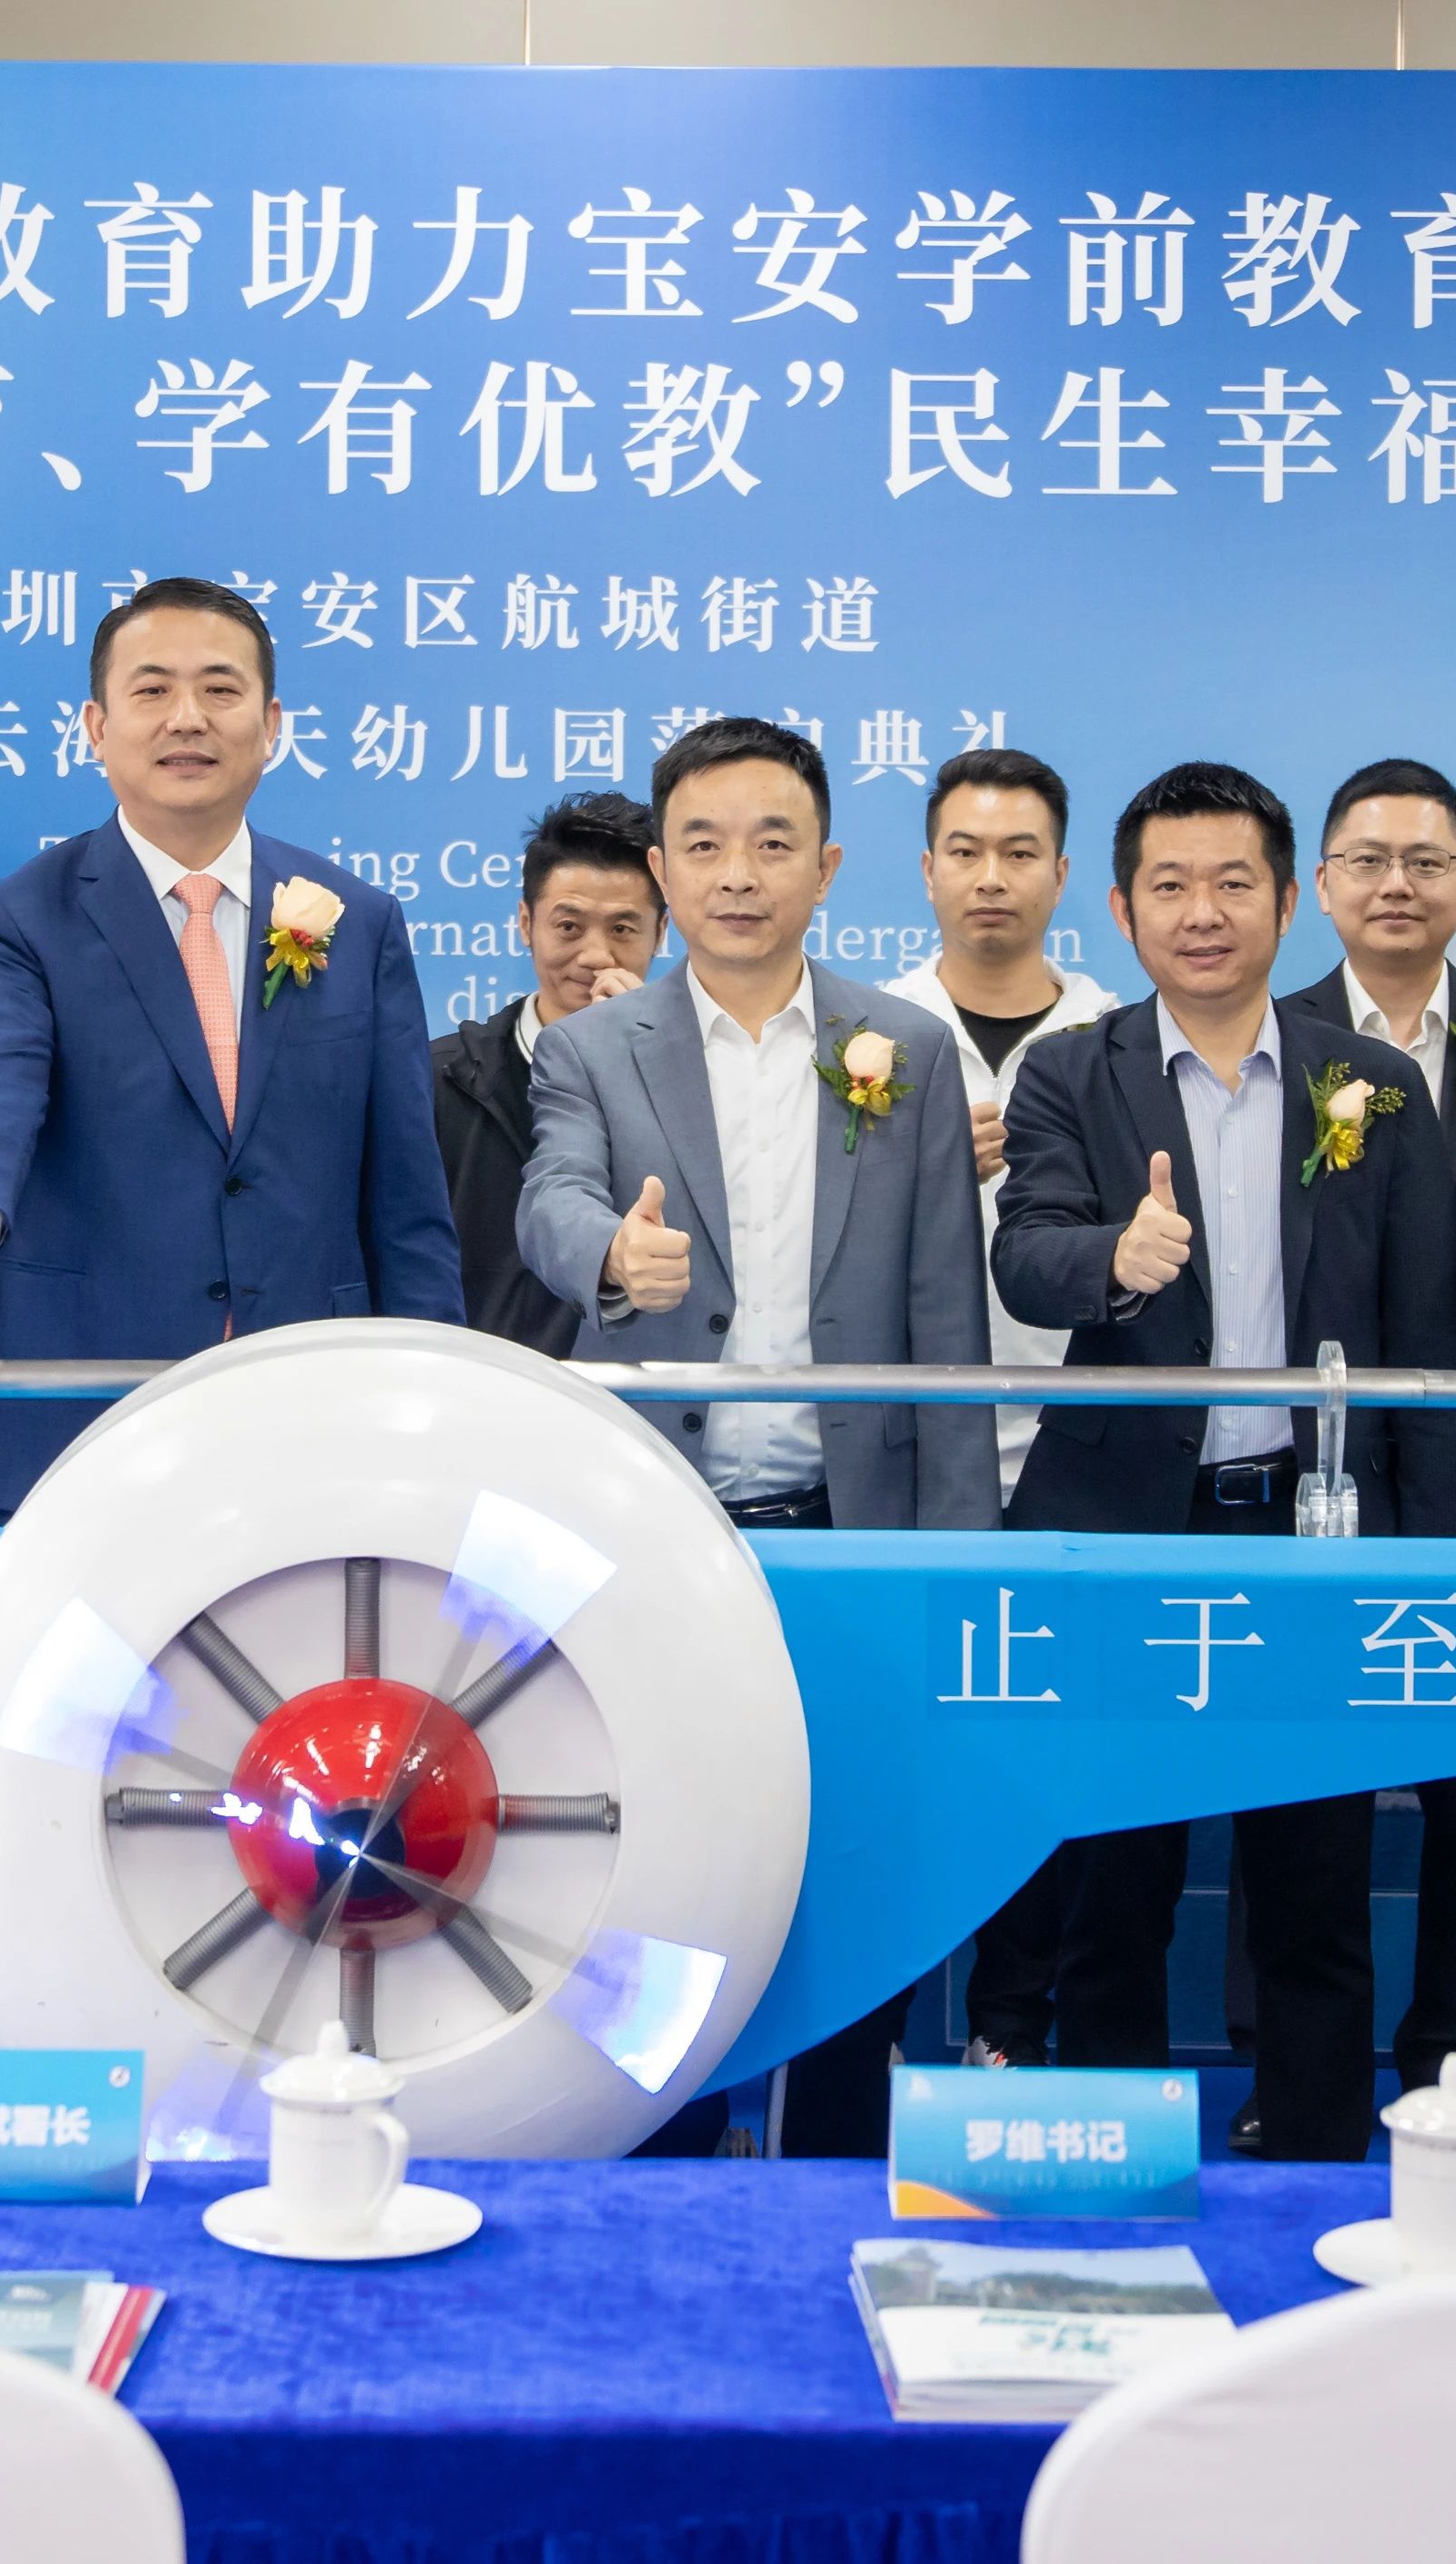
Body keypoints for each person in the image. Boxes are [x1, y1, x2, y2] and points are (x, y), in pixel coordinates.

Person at [521, 716, 992, 2151]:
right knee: (653, 1866)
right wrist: (614, 1258)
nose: (739, 874)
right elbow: (551, 1202)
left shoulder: (905, 1051)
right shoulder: (592, 1049)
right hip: (659, 1541)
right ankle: (649, 2162)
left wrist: (952, 1566)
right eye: (706, 845)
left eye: (773, 843)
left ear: (828, 866)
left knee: (851, 1869)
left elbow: (943, 1319)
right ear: (663, 871)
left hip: (848, 1541)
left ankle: (835, 2171)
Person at [993, 762, 1456, 2163]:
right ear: (1122, 909)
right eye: (1171, 886)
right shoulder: (1071, 1071)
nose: (1202, 914)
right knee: (1115, 1876)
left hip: (1313, 1531)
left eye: (1232, 883)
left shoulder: (1374, 1088)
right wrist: (1116, 1259)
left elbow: (1427, 1336)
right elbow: (1027, 1257)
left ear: (1285, 899)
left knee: (1314, 1875)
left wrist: (1437, 1558)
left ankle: (1316, 2156)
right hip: (1128, 1526)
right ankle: (1116, 2158)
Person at [0, 577, 464, 1513]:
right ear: (96, 727)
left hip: (314, 1415)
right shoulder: (19, 919)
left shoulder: (359, 921)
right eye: (153, 689)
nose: (187, 718)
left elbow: (407, 1196)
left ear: (271, 724)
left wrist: (436, 1400)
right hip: (77, 1414)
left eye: (219, 688)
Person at [1277, 756, 1456, 2101]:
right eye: (1368, 861)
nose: (1397, 885)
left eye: (1425, 862)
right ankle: (1290, 2069)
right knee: (1300, 1785)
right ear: (1320, 886)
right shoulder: (1268, 1037)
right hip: (1310, 1467)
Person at [881, 751, 1117, 2069]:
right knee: (908, 1753)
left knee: (1049, 1758)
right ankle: (874, 2032)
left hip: (1076, 1452)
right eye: (965, 852)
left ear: (1063, 875)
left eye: (1019, 853)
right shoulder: (866, 1032)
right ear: (925, 871)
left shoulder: (1115, 1037)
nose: (991, 878)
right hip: (915, 1454)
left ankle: (1010, 2032)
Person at [438, 790, 665, 1356]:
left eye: (623, 929)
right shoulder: (438, 1080)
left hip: (633, 1392)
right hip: (474, 1384)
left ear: (662, 932)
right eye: (569, 927)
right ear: (525, 923)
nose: (595, 955)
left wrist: (644, 1062)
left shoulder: (691, 1082)